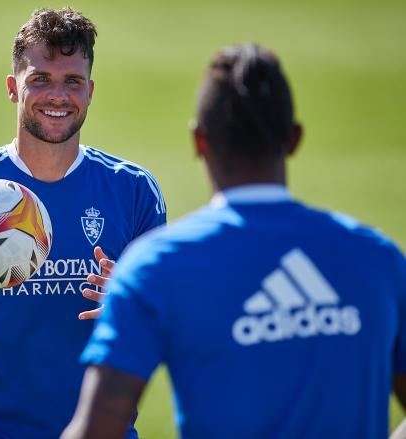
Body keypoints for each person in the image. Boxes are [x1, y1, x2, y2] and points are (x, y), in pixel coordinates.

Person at [62, 43, 406, 439]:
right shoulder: (377, 258)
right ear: (293, 139)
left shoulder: (156, 268)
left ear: (199, 142)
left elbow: (96, 430)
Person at [0, 8, 166, 439]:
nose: (58, 95)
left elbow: (163, 332)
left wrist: (130, 311)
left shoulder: (134, 191)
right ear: (13, 88)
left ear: (90, 91)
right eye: (40, 79)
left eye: (72, 81)